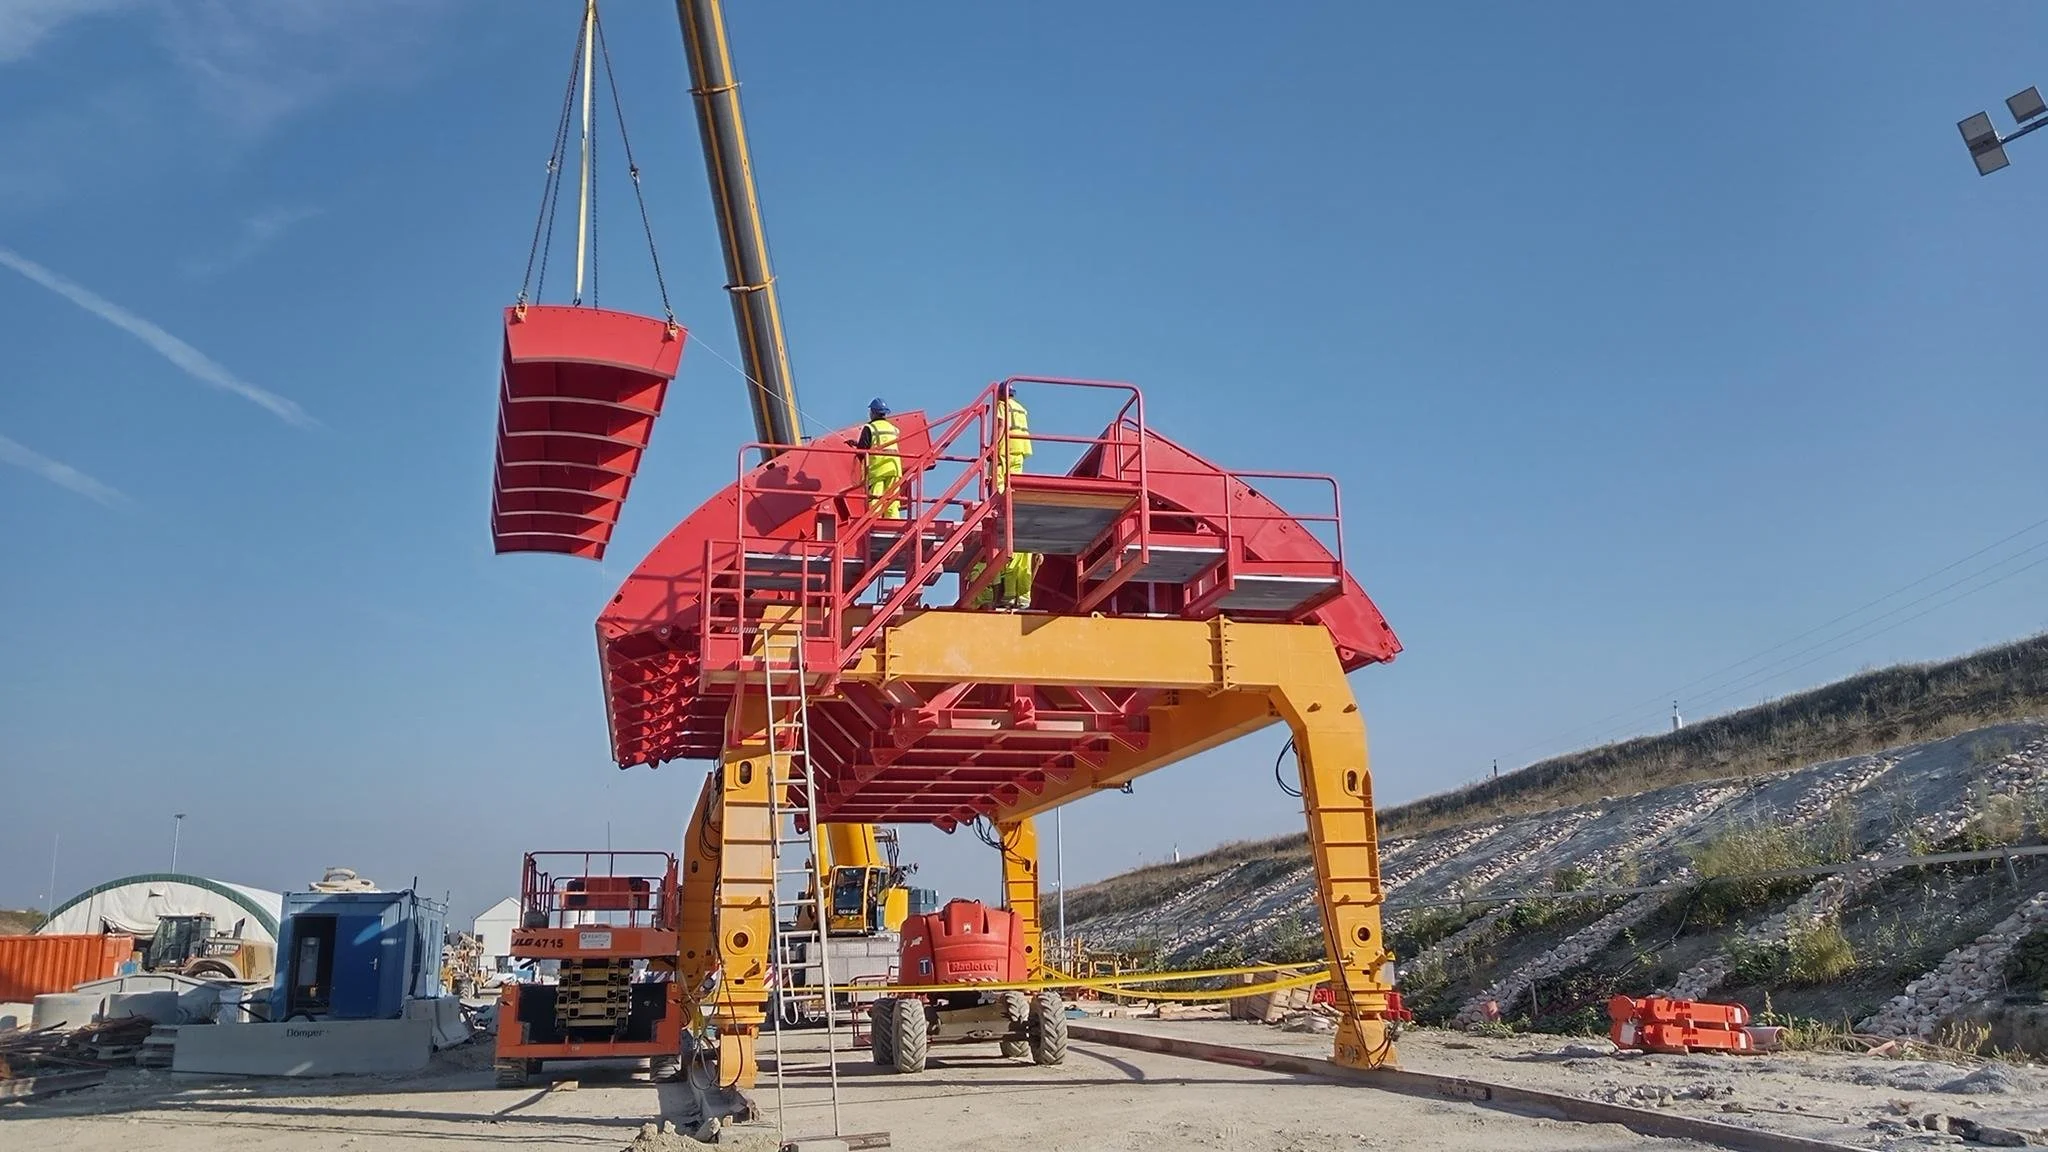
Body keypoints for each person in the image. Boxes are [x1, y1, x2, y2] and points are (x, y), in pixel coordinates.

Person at [856, 397, 902, 518]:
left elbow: (862, 450)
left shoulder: (870, 428)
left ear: (873, 412)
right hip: (894, 468)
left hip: (878, 469)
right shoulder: (893, 428)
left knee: (875, 498)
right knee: (892, 500)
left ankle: (873, 521)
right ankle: (893, 523)